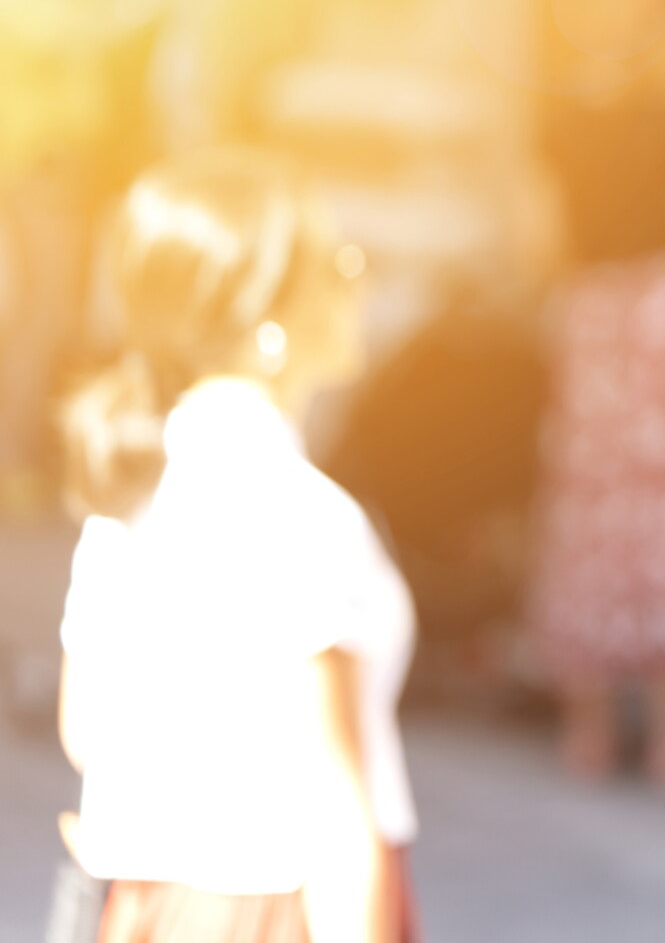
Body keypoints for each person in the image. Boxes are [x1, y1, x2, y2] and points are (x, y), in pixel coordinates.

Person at [55, 148, 417, 941]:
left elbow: (85, 729)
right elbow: (333, 803)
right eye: (339, 262)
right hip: (276, 910)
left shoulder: (128, 495)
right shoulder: (303, 512)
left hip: (149, 904)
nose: (359, 281)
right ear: (268, 319)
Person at [526, 92, 665, 791]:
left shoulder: (561, 119)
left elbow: (532, 236)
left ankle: (587, 732)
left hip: (589, 308)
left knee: (592, 505)